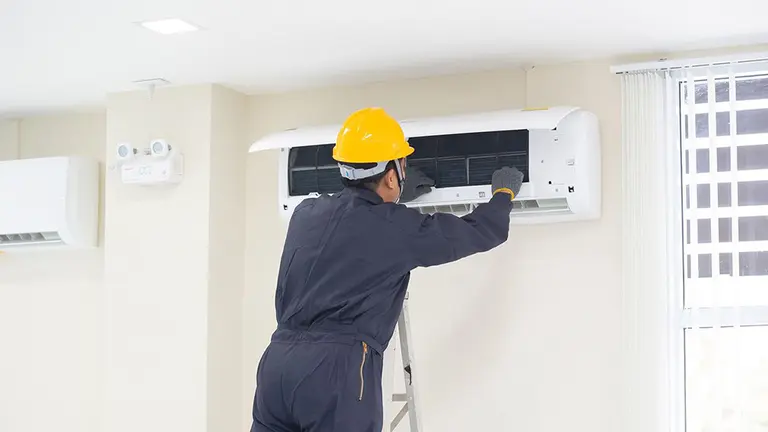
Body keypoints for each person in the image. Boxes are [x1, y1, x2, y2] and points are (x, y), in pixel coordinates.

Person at [250, 107, 524, 432]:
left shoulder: (306, 213)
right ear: (392, 174)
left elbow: (352, 218)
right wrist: (503, 195)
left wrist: (393, 197)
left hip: (277, 365)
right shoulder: (394, 227)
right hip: (335, 371)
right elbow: (478, 231)